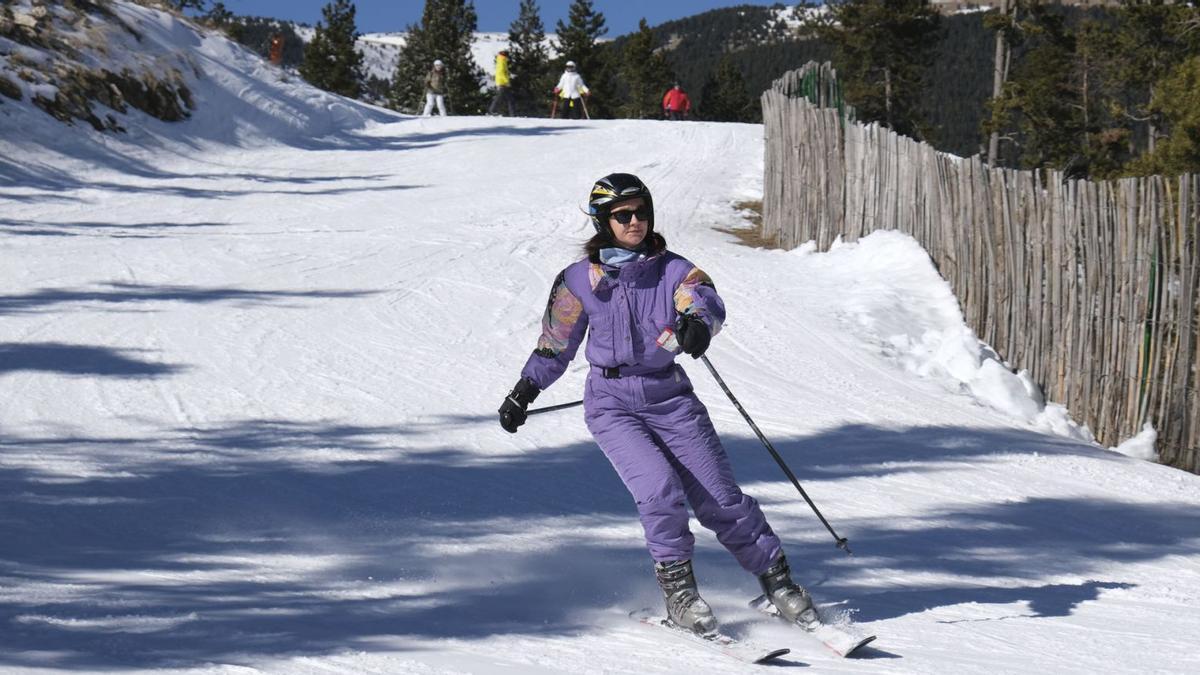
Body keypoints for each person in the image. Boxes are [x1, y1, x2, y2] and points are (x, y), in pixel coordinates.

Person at [497, 173, 816, 637]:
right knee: (659, 492)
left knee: (719, 498)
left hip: (670, 397)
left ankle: (778, 582)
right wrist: (524, 390)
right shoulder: (578, 280)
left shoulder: (672, 270)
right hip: (612, 405)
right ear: (603, 222)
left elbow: (702, 299)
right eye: (623, 215)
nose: (635, 221)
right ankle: (681, 595)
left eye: (642, 211)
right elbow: (555, 341)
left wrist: (697, 325)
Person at [488, 49, 515, 117]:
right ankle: (492, 110)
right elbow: (501, 73)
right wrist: (507, 81)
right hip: (502, 83)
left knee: (508, 98)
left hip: (502, 82)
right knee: (500, 98)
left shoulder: (501, 60)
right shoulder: (502, 61)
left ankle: (512, 114)